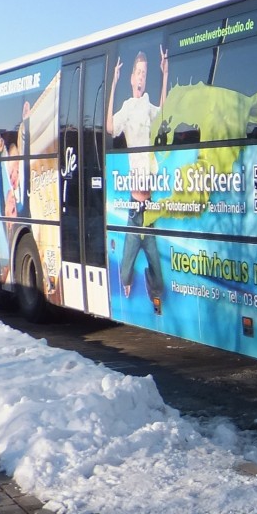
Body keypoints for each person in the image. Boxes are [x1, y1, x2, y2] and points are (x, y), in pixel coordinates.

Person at [107, 45, 169, 313]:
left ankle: (152, 287)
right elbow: (109, 128)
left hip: (150, 208)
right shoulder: (128, 107)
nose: (142, 78)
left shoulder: (148, 106)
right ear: (132, 78)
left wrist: (165, 75)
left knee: (158, 273)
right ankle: (130, 280)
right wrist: (113, 84)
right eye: (139, 73)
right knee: (123, 275)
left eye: (145, 73)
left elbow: (164, 115)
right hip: (134, 210)